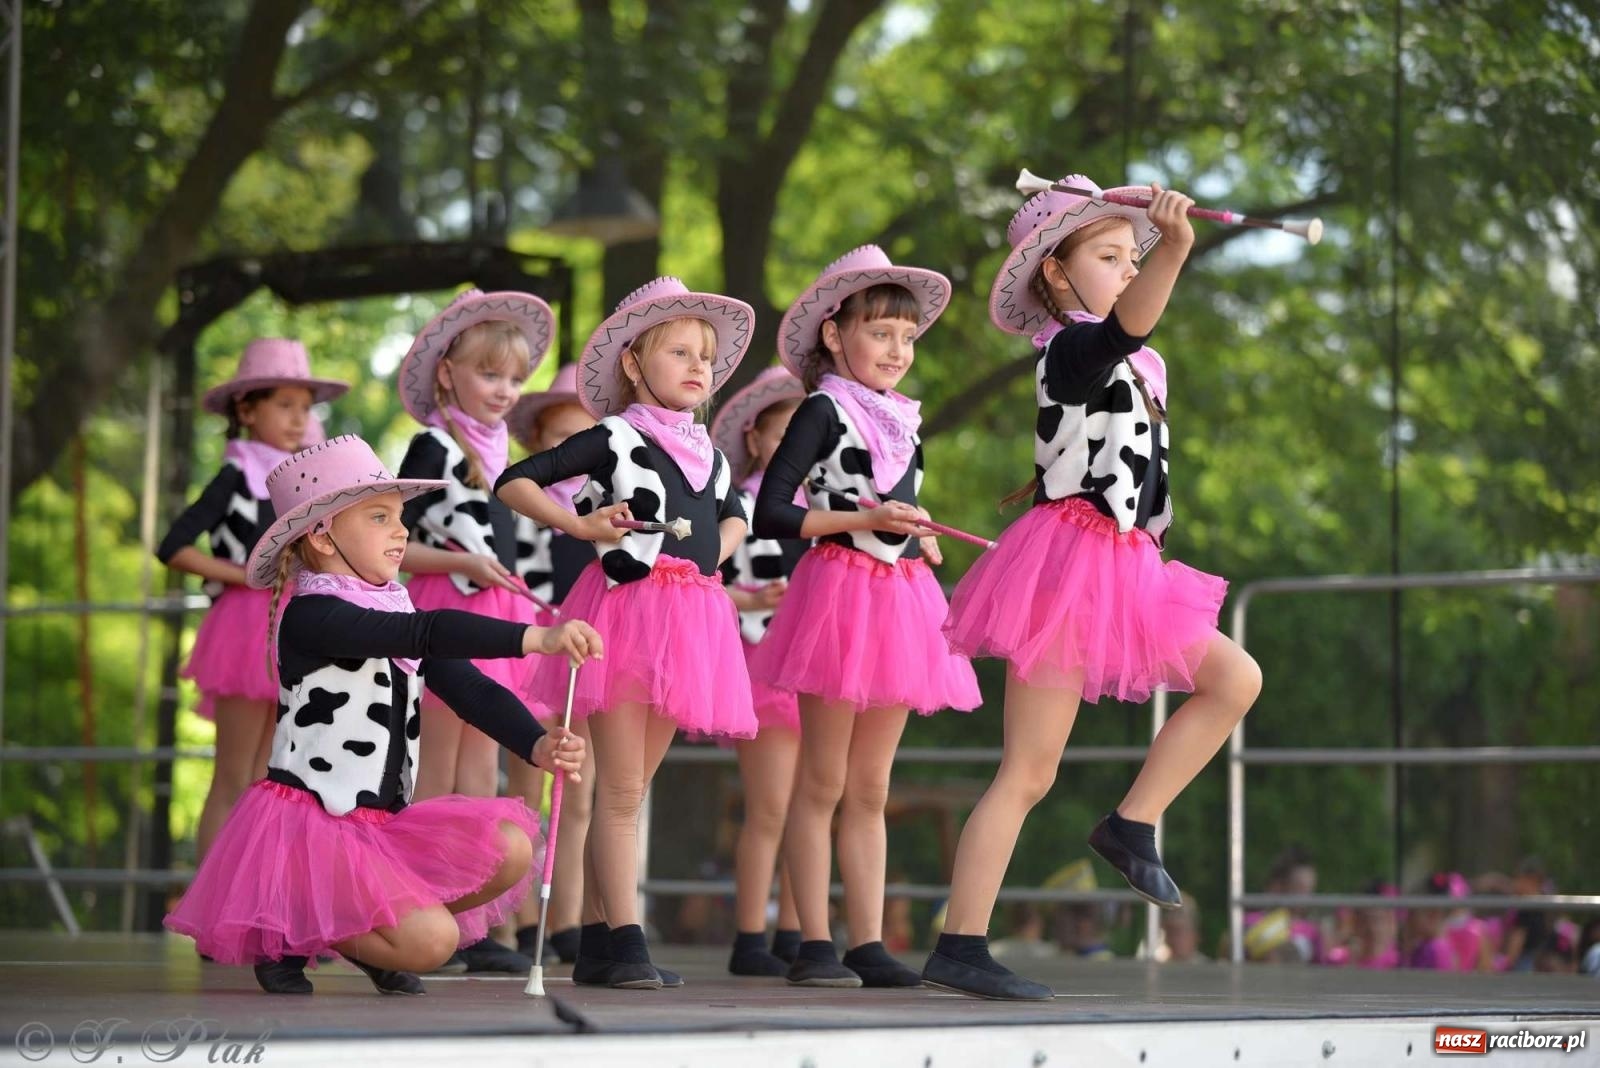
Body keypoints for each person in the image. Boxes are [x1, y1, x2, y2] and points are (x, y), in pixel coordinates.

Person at [927, 173, 1261, 1000]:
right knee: (1028, 773)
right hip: (1068, 568)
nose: (1124, 267)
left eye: (1129, 255)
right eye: (1107, 256)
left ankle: (1132, 821)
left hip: (1128, 565)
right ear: (1056, 274)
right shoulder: (1070, 351)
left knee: (1235, 679)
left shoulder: (1141, 363)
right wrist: (1177, 244)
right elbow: (1125, 322)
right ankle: (959, 944)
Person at [164, 434, 594, 995]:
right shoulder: (314, 614)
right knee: (433, 945)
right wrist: (535, 636)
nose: (402, 531)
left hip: (380, 827)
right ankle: (298, 927)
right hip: (314, 829)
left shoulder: (391, 605)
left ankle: (377, 935)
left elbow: (464, 684)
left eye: (399, 517)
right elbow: (427, 632)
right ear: (321, 537)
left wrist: (535, 743)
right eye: (379, 517)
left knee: (511, 847)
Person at [497, 277, 758, 989]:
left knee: (631, 790)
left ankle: (605, 944)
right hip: (628, 615)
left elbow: (735, 513)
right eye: (679, 351)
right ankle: (625, 938)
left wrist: (721, 550)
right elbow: (517, 480)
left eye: (705, 353)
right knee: (616, 793)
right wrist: (578, 524)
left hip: (693, 622)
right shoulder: (617, 436)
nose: (699, 365)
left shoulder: (709, 450)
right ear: (636, 366)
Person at [752, 245, 982, 988]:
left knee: (873, 787)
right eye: (881, 332)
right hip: (837, 597)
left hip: (902, 600)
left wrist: (916, 532)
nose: (897, 350)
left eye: (907, 337)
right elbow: (772, 511)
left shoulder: (908, 423)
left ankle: (868, 941)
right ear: (834, 335)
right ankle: (814, 940)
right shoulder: (823, 408)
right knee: (820, 780)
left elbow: (894, 511)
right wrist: (860, 519)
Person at [156, 338, 347, 863]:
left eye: (305, 408)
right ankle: (211, 910)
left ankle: (251, 902)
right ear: (247, 409)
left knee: (273, 777)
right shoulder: (236, 473)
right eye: (284, 405)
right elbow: (173, 546)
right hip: (243, 628)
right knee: (233, 774)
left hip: (297, 625)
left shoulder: (307, 478)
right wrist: (245, 576)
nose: (297, 418)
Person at [711, 366, 810, 976]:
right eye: (783, 435)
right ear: (756, 439)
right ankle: (751, 936)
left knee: (813, 802)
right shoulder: (740, 505)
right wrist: (752, 600)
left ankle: (798, 935)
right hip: (762, 664)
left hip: (817, 665)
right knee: (771, 806)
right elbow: (705, 585)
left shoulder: (824, 504)